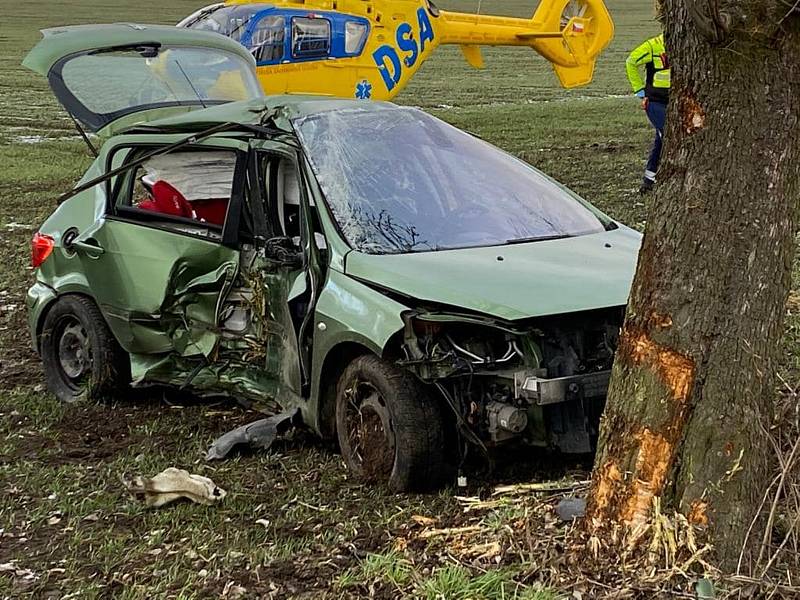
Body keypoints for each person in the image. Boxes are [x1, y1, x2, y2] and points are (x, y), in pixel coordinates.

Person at [626, 33, 670, 194]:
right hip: (655, 102)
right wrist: (640, 91)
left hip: (675, 100)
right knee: (668, 134)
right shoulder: (652, 46)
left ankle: (649, 179)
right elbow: (631, 62)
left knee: (661, 138)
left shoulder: (687, 43)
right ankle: (660, 177)